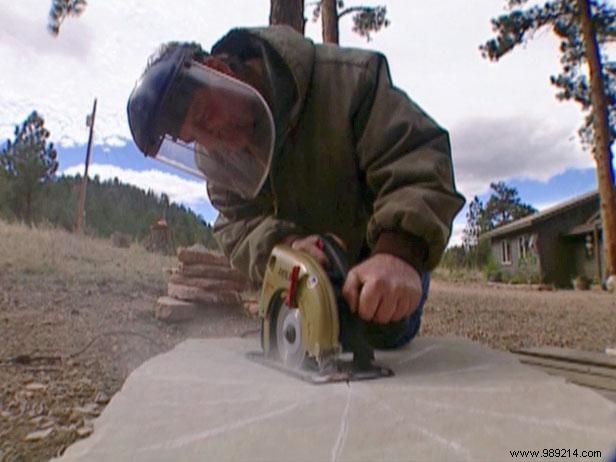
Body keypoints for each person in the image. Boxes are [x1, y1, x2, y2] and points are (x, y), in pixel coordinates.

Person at [126, 25, 466, 349]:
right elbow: (236, 224)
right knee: (304, 341)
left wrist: (399, 251)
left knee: (378, 333)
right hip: (310, 272)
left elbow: (414, 154)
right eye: (194, 137)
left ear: (217, 70)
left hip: (381, 256)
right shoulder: (218, 158)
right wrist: (286, 245)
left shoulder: (347, 79)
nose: (211, 141)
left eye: (203, 119)